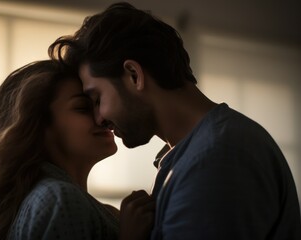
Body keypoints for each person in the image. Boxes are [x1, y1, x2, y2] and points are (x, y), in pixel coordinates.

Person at [49, 2, 301, 239]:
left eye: (97, 98)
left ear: (134, 75)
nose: (99, 118)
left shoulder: (215, 159)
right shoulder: (195, 153)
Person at [0, 60, 122, 240]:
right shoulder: (62, 199)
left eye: (98, 102)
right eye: (82, 108)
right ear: (38, 126)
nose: (103, 116)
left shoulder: (51, 198)